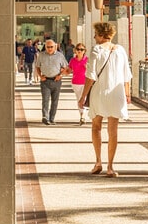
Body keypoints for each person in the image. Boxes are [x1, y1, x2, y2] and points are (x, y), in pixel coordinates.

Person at [78, 22, 132, 178]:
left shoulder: (96, 50)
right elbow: (126, 75)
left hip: (99, 92)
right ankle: (110, 166)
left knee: (96, 127)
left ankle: (98, 162)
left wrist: (83, 96)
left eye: (96, 34)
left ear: (101, 35)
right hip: (117, 93)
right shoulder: (121, 50)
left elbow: (91, 75)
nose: (94, 37)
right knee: (113, 130)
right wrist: (127, 95)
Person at [34, 39, 68, 125]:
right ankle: (45, 117)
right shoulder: (41, 55)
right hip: (45, 81)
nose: (49, 48)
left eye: (51, 47)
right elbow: (37, 66)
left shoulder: (60, 56)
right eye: (48, 47)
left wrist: (60, 75)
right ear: (45, 47)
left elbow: (65, 67)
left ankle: (52, 118)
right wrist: (40, 76)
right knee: (45, 99)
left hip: (56, 81)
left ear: (55, 47)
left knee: (55, 101)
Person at [66, 43, 89, 125]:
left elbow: (92, 71)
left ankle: (83, 116)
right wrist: (63, 71)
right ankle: (82, 115)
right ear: (75, 50)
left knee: (84, 99)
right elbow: (68, 70)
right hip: (75, 83)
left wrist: (87, 67)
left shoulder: (87, 60)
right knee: (79, 99)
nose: (79, 51)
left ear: (84, 51)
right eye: (78, 49)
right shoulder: (72, 60)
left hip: (85, 83)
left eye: (81, 49)